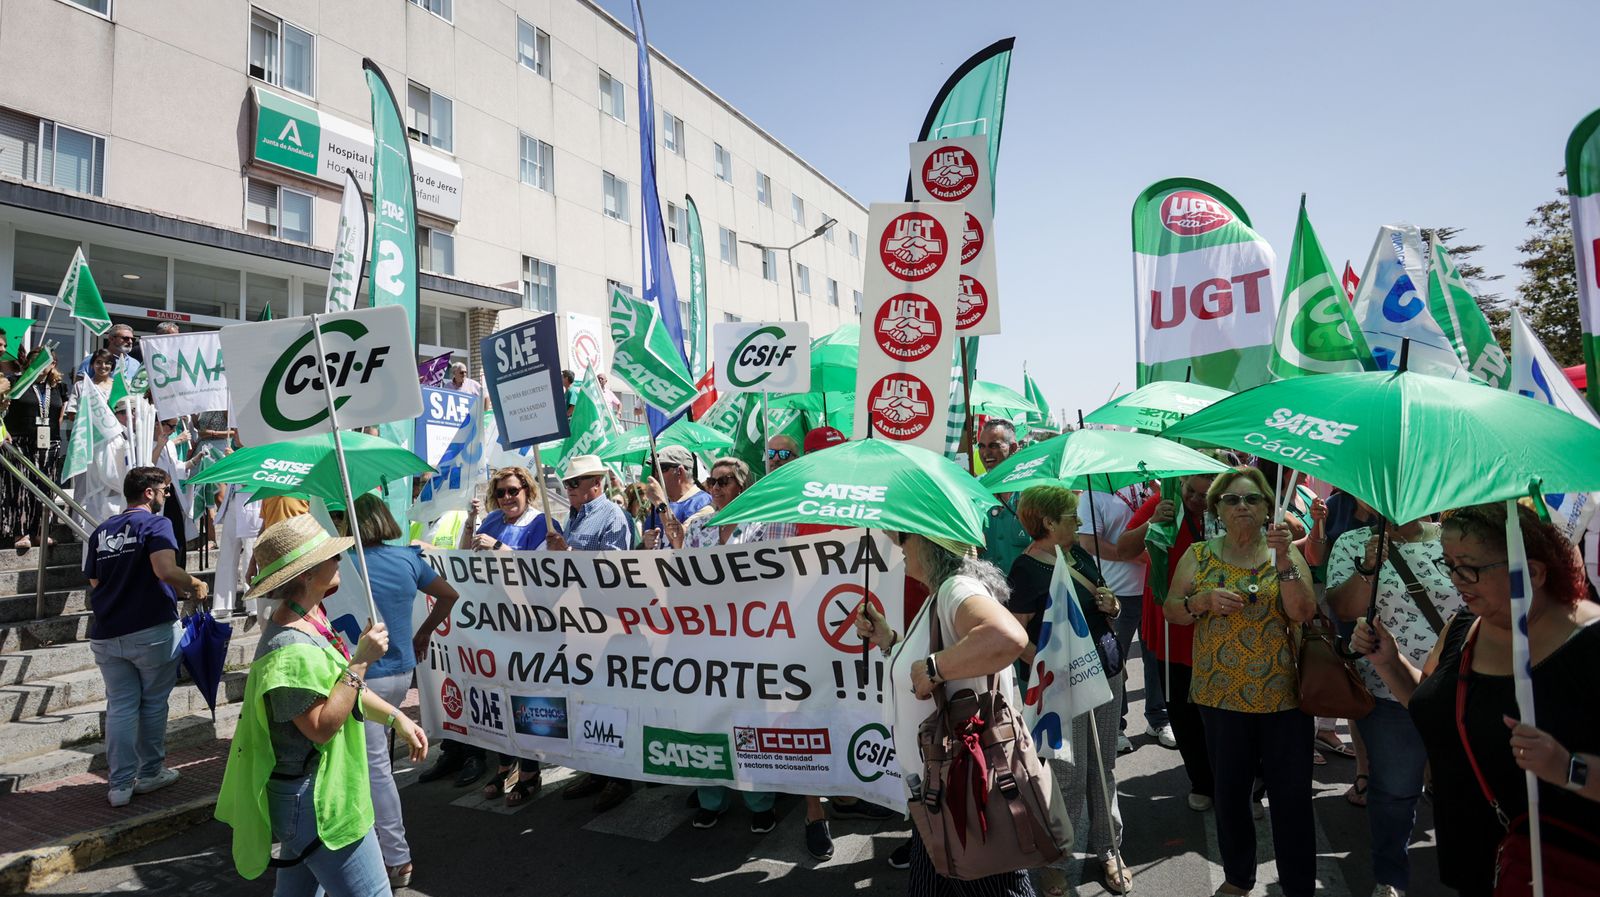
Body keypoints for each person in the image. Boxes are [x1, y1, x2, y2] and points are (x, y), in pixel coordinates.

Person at [1352, 502, 1600, 897]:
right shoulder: (1465, 626)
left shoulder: (1590, 644)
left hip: (1559, 870)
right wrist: (1390, 662)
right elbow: (1434, 704)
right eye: (1448, 565)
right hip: (1476, 861)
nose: (1456, 581)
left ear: (1532, 572)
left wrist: (1567, 768)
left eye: (1469, 568)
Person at [215, 513, 427, 894]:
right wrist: (361, 660)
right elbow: (321, 727)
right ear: (306, 575)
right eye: (332, 556)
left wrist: (397, 718)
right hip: (317, 801)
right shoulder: (287, 647)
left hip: (311, 795)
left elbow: (344, 690)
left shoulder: (310, 620)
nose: (340, 560)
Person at [1163, 466, 1318, 897]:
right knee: (1230, 797)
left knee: (1291, 801)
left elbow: (1303, 612)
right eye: (1232, 500)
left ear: (1269, 506)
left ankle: (1299, 885)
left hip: (1283, 697)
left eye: (1252, 499)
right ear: (1217, 508)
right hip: (1220, 695)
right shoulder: (1200, 554)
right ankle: (1238, 878)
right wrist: (1202, 601)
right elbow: (1171, 610)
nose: (1242, 507)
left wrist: (1284, 560)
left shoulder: (1283, 554)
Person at [854, 529, 1035, 896]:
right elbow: (941, 662)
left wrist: (934, 667)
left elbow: (1008, 637)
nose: (896, 545)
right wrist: (889, 641)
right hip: (940, 786)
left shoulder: (956, 589)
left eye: (903, 537)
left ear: (930, 542)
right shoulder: (943, 593)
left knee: (991, 886)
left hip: (964, 791)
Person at [1327, 508, 1461, 897]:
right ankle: (1390, 878)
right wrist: (1368, 568)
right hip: (1387, 691)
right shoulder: (1353, 543)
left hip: (1456, 686)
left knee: (1463, 791)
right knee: (1396, 792)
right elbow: (1344, 609)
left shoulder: (1452, 538)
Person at [1009, 485, 1131, 895]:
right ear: (1047, 522)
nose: (1079, 522)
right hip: (1063, 687)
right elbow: (1013, 635)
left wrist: (1111, 604)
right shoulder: (1025, 569)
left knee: (1104, 766)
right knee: (1066, 775)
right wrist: (1048, 670)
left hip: (1106, 671)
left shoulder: (1079, 553)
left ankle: (1109, 848)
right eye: (1070, 516)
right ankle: (1056, 859)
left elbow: (1107, 603)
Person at [341, 494, 459, 889]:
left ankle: (396, 855)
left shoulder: (346, 564)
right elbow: (449, 595)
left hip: (366, 674)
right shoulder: (407, 559)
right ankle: (384, 844)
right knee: (375, 762)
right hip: (400, 671)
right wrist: (423, 631)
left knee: (375, 767)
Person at [657, 458, 781, 832]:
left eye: (725, 480)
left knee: (750, 722)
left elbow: (772, 579)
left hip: (749, 641)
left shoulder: (762, 526)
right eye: (711, 480)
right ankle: (712, 797)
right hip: (706, 641)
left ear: (742, 486)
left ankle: (760, 801)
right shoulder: (699, 527)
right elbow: (686, 579)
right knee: (704, 720)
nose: (715, 487)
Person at [84, 467, 209, 807]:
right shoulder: (156, 524)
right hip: (150, 628)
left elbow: (96, 582)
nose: (168, 496)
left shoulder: (103, 530)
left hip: (107, 631)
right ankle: (150, 772)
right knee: (153, 704)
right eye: (165, 490)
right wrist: (195, 584)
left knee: (121, 705)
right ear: (149, 493)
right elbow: (165, 570)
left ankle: (120, 785)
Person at [448, 466, 558, 798]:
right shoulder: (493, 519)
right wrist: (471, 522)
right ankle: (504, 765)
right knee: (498, 694)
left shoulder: (541, 523)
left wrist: (498, 548)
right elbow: (464, 554)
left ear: (528, 490)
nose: (507, 498)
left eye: (513, 490)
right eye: (501, 493)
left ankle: (529, 771)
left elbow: (544, 573)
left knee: (526, 698)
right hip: (493, 623)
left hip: (528, 625)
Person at [1119, 471, 1218, 809]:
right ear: (1183, 483)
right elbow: (1123, 548)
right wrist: (1152, 525)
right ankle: (1202, 782)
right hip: (1169, 621)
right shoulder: (1163, 504)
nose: (1196, 500)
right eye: (1192, 490)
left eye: (1205, 494)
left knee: (1220, 709)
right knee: (1182, 706)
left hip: (1217, 623)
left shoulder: (1228, 507)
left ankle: (1237, 781)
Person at [546, 454, 638, 814]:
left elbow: (613, 569)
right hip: (583, 622)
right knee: (590, 696)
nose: (567, 489)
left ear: (594, 484)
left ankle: (621, 776)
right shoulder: (574, 516)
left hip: (609, 620)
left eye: (573, 484)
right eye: (567, 484)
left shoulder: (612, 515)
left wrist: (567, 551)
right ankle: (598, 769)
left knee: (614, 697)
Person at [1078, 479, 1168, 753]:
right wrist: (1128, 555)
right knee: (1115, 661)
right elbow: (1088, 542)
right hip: (1117, 591)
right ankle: (1116, 726)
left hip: (1153, 586)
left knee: (1155, 657)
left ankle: (1159, 719)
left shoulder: (1150, 485)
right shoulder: (1093, 491)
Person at [4, 346, 66, 551]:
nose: (41, 365)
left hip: (49, 441)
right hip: (20, 440)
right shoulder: (16, 381)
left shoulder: (58, 387)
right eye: (35, 360)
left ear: (53, 365)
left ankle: (40, 531)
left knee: (45, 488)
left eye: (45, 361)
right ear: (28, 363)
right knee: (22, 486)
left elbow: (59, 415)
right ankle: (21, 532)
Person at [977, 419, 1031, 578]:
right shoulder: (973, 489)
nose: (986, 453)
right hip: (985, 592)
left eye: (994, 446)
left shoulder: (1029, 491)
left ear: (1013, 448)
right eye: (981, 446)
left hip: (1026, 593)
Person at [640, 445, 710, 546]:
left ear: (680, 472)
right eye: (655, 469)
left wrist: (661, 503)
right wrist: (645, 545)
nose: (655, 475)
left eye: (661, 469)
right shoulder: (657, 504)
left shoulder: (704, 505)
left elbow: (683, 544)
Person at [77, 323, 143, 383]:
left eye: (132, 339)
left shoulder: (135, 363)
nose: (130, 342)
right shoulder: (93, 359)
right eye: (126, 338)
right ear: (111, 339)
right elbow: (80, 384)